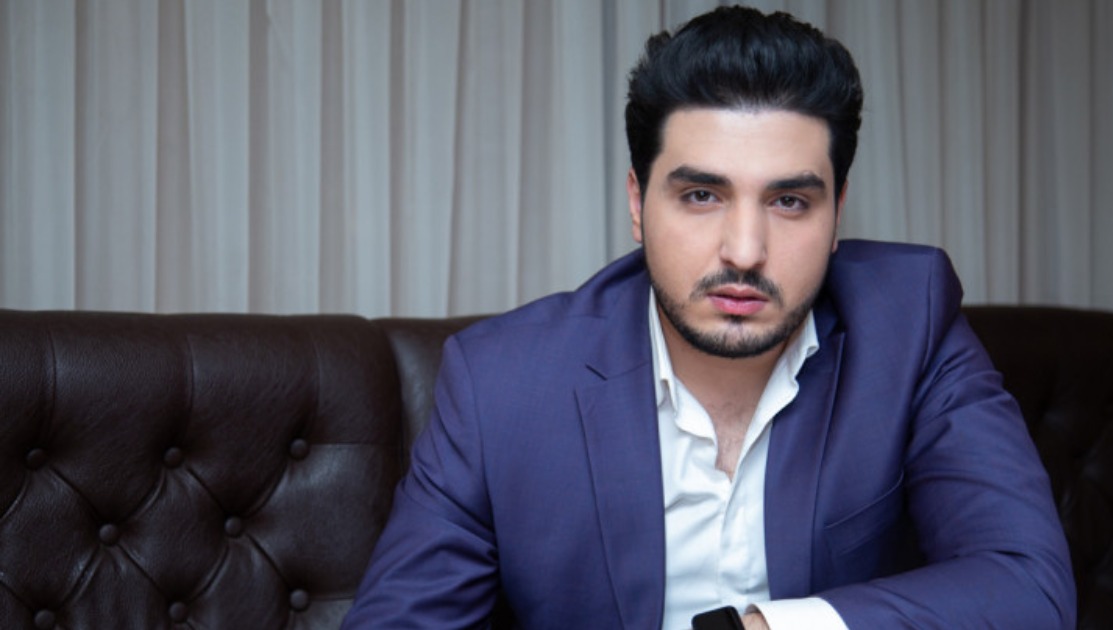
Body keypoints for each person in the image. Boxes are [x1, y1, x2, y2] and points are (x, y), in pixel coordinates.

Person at [342, 6, 1075, 629]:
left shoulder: (908, 323)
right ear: (638, 203)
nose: (745, 250)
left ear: (837, 213)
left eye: (790, 201)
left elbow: (1028, 586)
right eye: (701, 196)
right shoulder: (502, 382)